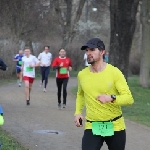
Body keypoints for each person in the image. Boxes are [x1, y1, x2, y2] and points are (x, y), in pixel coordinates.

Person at [74, 38, 134, 150]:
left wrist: (111, 98)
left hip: (115, 125)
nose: (88, 53)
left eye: (92, 50)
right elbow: (81, 94)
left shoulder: (115, 72)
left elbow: (129, 98)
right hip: (92, 125)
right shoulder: (82, 74)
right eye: (87, 50)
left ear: (102, 52)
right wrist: (78, 112)